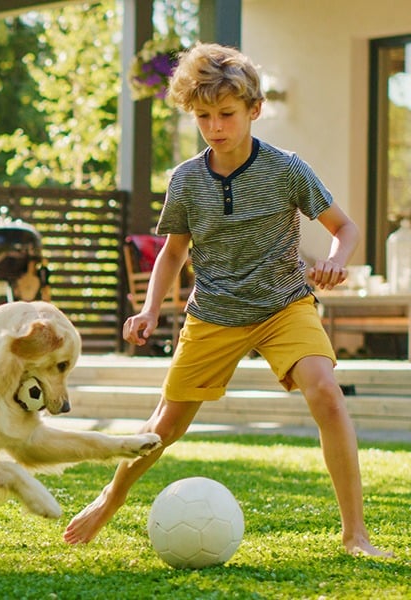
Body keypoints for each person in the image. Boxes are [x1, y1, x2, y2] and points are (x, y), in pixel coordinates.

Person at [63, 43, 392, 558]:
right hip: (214, 313)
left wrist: (336, 260)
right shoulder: (186, 180)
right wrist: (149, 308)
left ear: (254, 110)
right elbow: (173, 253)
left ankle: (356, 535)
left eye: (227, 114)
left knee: (327, 392)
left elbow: (344, 228)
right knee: (164, 426)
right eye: (203, 117)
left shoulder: (287, 169)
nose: (215, 127)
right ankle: (110, 498)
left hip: (284, 305)